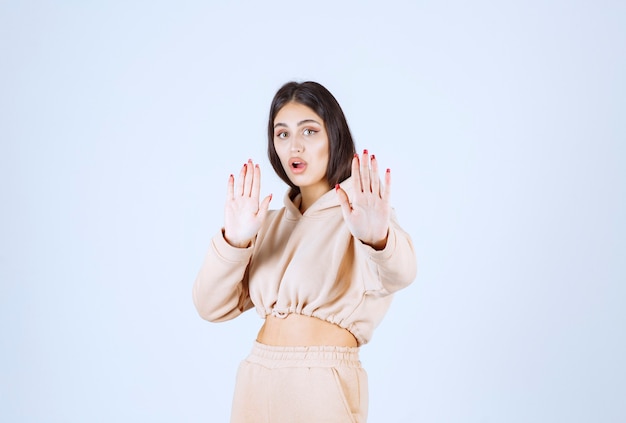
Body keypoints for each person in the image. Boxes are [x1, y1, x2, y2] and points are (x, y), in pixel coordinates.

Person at [193, 81, 417, 423]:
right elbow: (210, 306)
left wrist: (378, 239)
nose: (294, 146)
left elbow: (401, 273)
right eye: (282, 135)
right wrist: (234, 242)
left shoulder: (362, 215)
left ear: (334, 137)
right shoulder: (265, 224)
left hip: (323, 383)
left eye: (309, 131)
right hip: (257, 379)